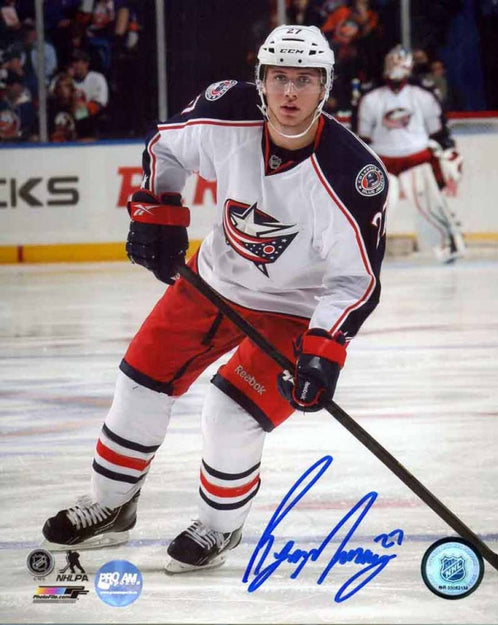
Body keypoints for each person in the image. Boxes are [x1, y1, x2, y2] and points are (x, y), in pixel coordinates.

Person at [41, 25, 388, 573]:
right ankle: (111, 505)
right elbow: (166, 148)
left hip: (292, 307)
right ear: (261, 81)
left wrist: (322, 353)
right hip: (213, 281)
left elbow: (354, 282)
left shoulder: (353, 174)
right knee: (140, 380)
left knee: (231, 412)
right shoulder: (227, 111)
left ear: (326, 87)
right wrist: (159, 212)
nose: (290, 93)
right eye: (279, 78)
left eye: (304, 80)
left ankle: (221, 527)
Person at [355, 44, 465, 263]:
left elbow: (438, 130)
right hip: (382, 161)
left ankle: (447, 246)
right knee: (374, 210)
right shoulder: (370, 97)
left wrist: (448, 150)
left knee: (430, 208)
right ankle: (360, 252)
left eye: (399, 62)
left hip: (417, 158)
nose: (395, 68)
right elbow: (361, 137)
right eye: (391, 62)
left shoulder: (422, 93)